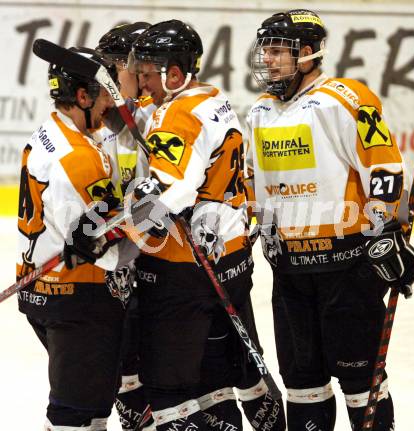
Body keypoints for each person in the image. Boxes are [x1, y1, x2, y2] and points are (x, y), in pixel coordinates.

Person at [246, 9, 414, 431]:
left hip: (346, 268)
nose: (267, 59)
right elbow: (253, 182)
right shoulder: (260, 111)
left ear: (307, 54)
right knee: (302, 382)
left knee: (360, 379)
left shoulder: (345, 98)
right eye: (265, 50)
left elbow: (382, 169)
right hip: (288, 269)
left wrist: (386, 232)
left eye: (277, 50)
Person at [125, 19, 285, 431]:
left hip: (183, 270)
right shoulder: (212, 98)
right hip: (228, 258)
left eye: (147, 74)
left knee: (168, 389)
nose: (142, 83)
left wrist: (113, 227)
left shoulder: (178, 114)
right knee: (218, 378)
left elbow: (167, 192)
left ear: (174, 74)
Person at [17, 47, 139, 430]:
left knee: (88, 407)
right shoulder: (78, 160)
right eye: (105, 94)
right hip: (78, 298)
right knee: (75, 414)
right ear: (83, 97)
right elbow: (108, 256)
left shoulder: (53, 131)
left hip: (41, 288)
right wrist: (154, 214)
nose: (111, 103)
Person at [96, 22, 156, 431]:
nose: (109, 78)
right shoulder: (107, 121)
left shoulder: (163, 114)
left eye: (115, 66)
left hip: (164, 260)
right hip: (125, 261)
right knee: (126, 368)